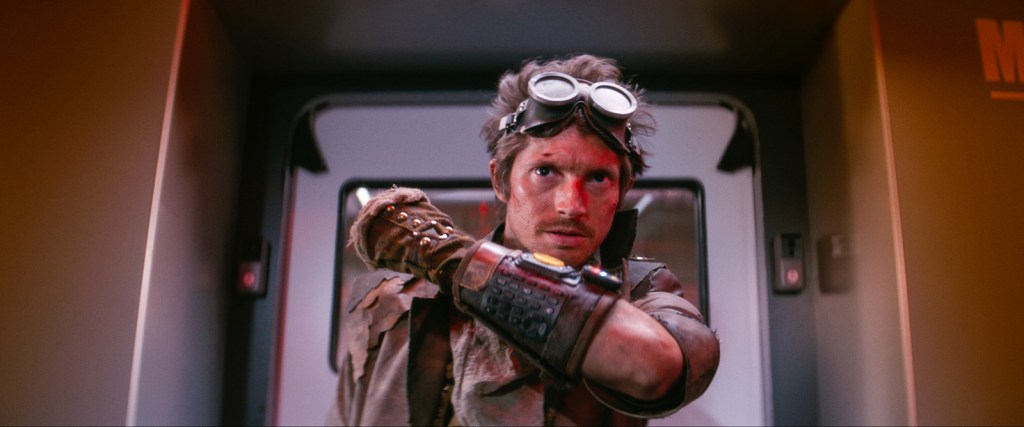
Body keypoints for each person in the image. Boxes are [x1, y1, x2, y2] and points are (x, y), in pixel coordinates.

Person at [328, 54, 719, 426]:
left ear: (622, 191)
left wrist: (448, 255)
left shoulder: (645, 294)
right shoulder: (397, 301)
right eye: (545, 171)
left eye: (599, 178)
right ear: (500, 180)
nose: (571, 206)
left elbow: (657, 367)